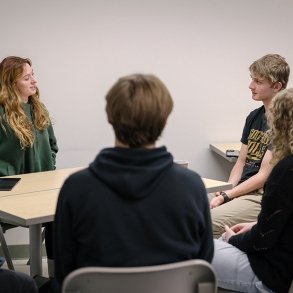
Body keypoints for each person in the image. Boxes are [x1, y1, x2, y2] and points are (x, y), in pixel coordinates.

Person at [53, 73, 214, 291]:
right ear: (164, 120)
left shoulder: (76, 188)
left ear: (110, 116)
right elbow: (203, 262)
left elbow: (65, 273)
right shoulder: (192, 186)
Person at [212, 88, 293, 293]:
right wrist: (257, 224)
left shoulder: (285, 171)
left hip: (272, 274)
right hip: (283, 261)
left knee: (191, 249)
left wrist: (233, 239)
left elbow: (261, 242)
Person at [210, 54, 290, 238]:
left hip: (260, 195)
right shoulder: (254, 116)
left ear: (277, 86)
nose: (250, 86)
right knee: (187, 207)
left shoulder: (283, 122)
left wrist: (227, 196)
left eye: (258, 81)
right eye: (252, 79)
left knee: (209, 220)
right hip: (242, 189)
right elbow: (240, 162)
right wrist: (227, 190)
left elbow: (263, 177)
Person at [0, 56, 58, 277]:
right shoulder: (1, 115)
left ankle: (53, 278)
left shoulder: (38, 108)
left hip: (41, 193)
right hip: (9, 195)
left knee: (60, 217)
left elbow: (53, 145)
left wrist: (47, 168)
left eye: (33, 74)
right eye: (27, 77)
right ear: (11, 83)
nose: (34, 81)